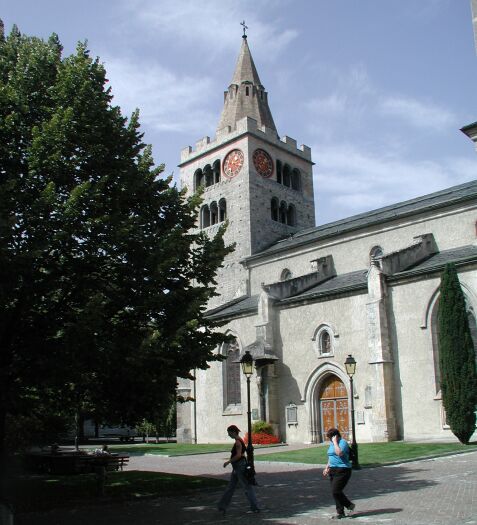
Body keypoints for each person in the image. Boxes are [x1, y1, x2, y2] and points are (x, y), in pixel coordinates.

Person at [217, 424, 260, 515]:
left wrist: (228, 461)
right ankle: (222, 506)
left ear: (233, 432)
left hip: (240, 467)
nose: (228, 435)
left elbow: (238, 455)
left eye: (229, 433)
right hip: (237, 467)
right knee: (231, 487)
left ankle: (255, 507)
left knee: (247, 487)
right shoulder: (239, 440)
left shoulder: (238, 442)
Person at [322, 428, 355, 519]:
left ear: (335, 436)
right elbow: (330, 456)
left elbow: (339, 453)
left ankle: (349, 505)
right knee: (335, 492)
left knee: (336, 490)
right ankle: (340, 512)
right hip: (332, 470)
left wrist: (335, 442)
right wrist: (327, 467)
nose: (330, 440)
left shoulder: (343, 443)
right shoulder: (332, 444)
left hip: (343, 470)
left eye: (330, 437)